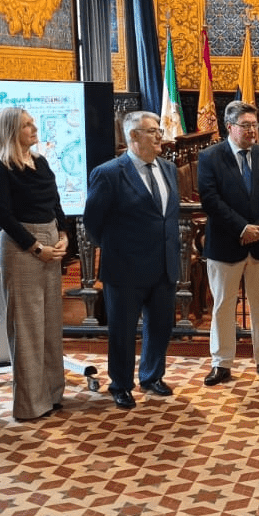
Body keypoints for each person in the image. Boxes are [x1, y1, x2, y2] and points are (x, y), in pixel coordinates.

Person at [85, 111, 181, 411]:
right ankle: (121, 384)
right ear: (133, 136)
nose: (159, 136)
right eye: (152, 131)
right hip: (125, 267)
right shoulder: (109, 173)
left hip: (164, 264)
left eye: (159, 130)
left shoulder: (168, 168)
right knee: (123, 331)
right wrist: (119, 248)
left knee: (160, 326)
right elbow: (93, 222)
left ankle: (152, 376)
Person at [197, 101, 259, 387]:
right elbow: (210, 200)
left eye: (254, 125)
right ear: (230, 127)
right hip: (225, 243)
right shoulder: (210, 157)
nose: (252, 131)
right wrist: (241, 228)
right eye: (246, 125)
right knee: (224, 305)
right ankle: (221, 363)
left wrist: (258, 229)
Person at [0, 105, 70, 420]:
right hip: (23, 247)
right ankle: (30, 404)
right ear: (11, 130)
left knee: (50, 323)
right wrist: (36, 248)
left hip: (51, 238)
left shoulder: (41, 161)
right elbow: (4, 217)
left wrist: (63, 235)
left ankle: (52, 394)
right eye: (26, 125)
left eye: (33, 123)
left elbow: (55, 202)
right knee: (27, 327)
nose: (34, 129)